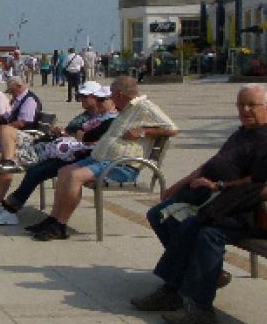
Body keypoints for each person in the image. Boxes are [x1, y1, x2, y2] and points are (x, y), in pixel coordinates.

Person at [132, 89, 267, 324]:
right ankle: (173, 290)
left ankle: (198, 306)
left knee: (208, 231)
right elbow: (255, 178)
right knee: (195, 223)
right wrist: (223, 187)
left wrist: (240, 195)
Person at [146, 83, 267, 287]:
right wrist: (180, 183)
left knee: (179, 220)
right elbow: (213, 163)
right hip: (205, 192)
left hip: (228, 201)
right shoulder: (242, 133)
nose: (245, 110)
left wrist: (219, 185)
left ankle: (182, 280)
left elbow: (256, 180)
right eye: (241, 105)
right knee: (157, 214)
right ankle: (201, 270)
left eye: (252, 105)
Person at [29, 77, 178, 240]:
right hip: (102, 160)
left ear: (120, 94)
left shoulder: (145, 107)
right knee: (64, 172)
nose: (109, 98)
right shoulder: (126, 108)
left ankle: (60, 225)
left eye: (111, 94)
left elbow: (172, 129)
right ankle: (53, 219)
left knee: (75, 176)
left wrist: (143, 132)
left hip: (121, 166)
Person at [0, 82, 119, 226]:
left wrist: (75, 135)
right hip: (71, 151)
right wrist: (72, 134)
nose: (98, 102)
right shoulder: (98, 116)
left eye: (101, 99)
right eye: (80, 97)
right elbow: (82, 135)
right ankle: (8, 202)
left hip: (80, 155)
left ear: (112, 101)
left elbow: (89, 138)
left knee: (37, 171)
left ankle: (11, 199)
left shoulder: (109, 119)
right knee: (35, 170)